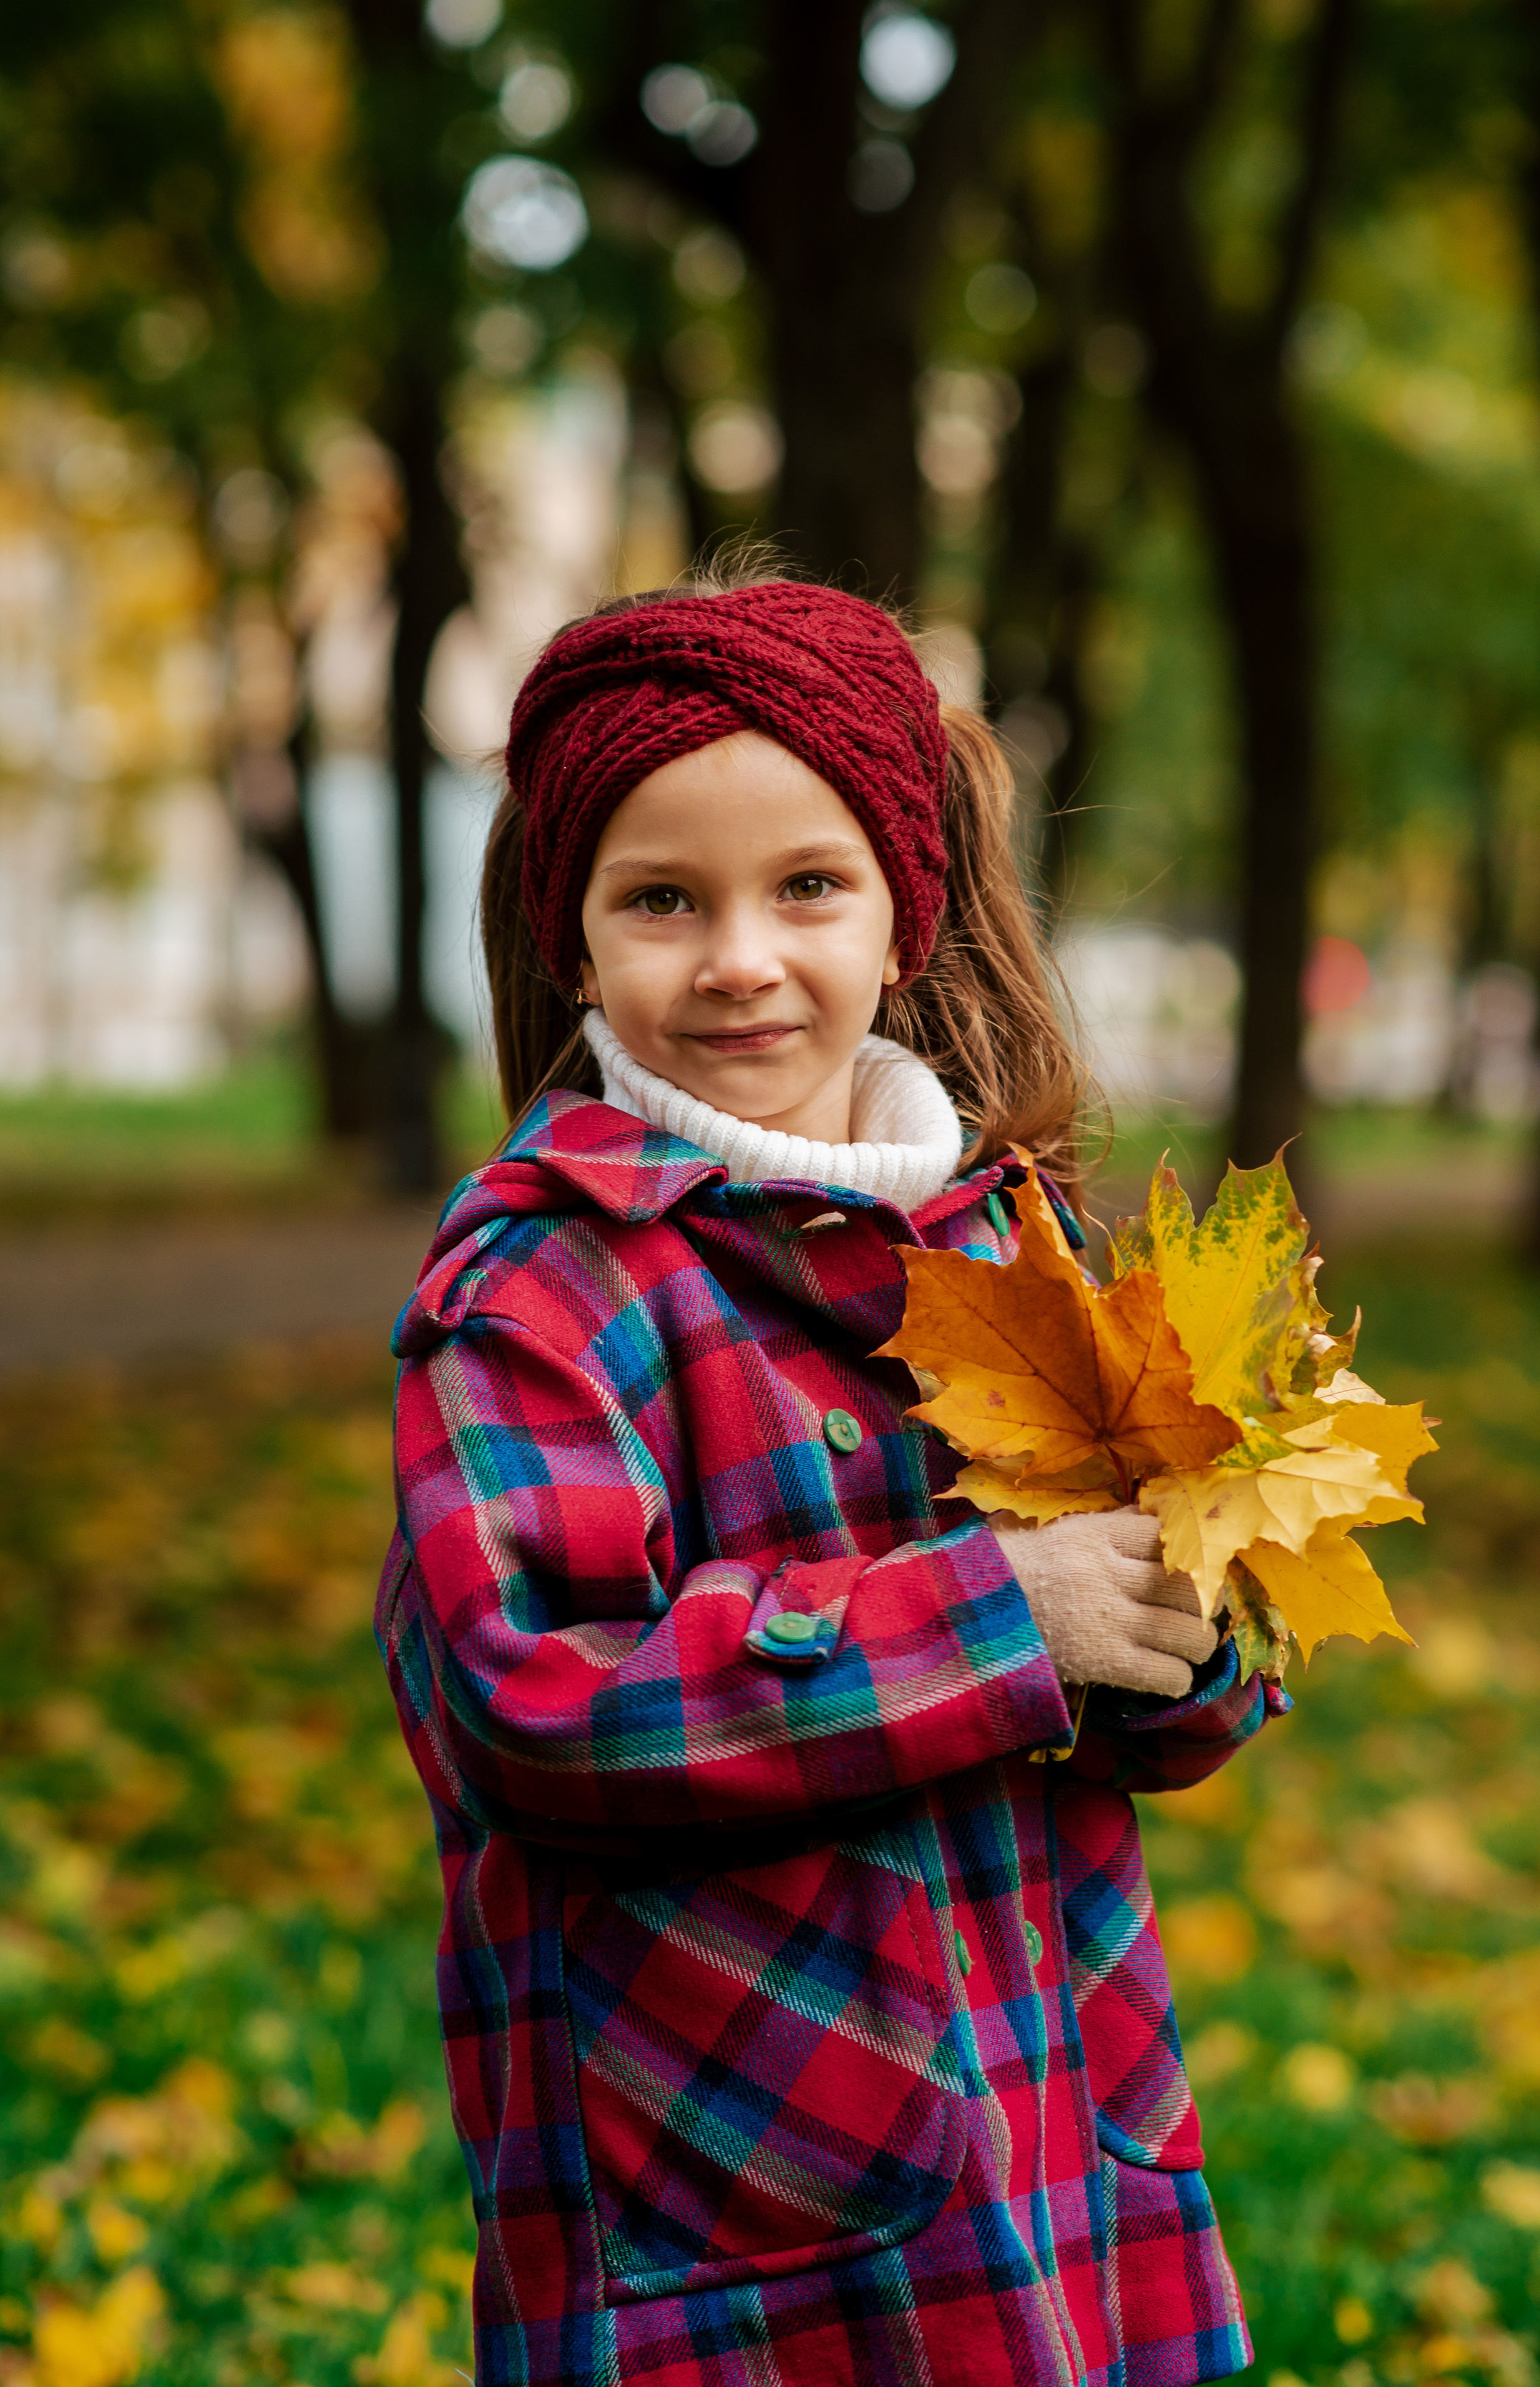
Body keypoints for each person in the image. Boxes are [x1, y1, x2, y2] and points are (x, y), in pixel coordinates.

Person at [378, 574, 1288, 2387]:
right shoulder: (544, 1292)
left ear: (901, 915)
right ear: (572, 940)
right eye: (661, 898)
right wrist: (998, 1618)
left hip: (1049, 2133)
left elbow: (1164, 1684)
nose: (740, 955)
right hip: (730, 2183)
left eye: (809, 884)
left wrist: (1183, 1643)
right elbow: (531, 1699)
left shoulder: (1022, 1245)